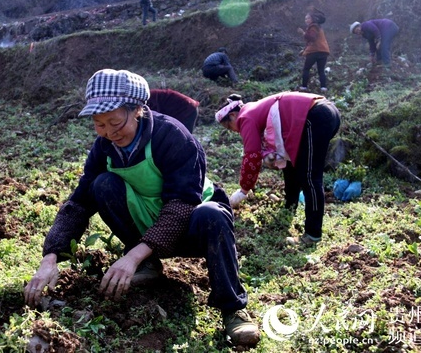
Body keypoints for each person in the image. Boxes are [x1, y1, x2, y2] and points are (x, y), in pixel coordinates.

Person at [24, 69, 260, 346]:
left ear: (137, 109)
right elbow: (78, 203)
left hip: (191, 225)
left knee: (213, 214)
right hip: (148, 222)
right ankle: (148, 262)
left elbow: (183, 204)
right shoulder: (104, 148)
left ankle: (233, 308)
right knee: (102, 185)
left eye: (115, 121)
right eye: (99, 124)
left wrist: (131, 257)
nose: (109, 133)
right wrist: (50, 256)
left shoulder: (172, 136)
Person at [215, 92, 341, 246]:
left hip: (315, 116)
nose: (233, 130)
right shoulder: (253, 110)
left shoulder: (245, 118)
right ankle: (290, 206)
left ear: (233, 115)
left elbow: (252, 157)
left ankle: (312, 234)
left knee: (309, 176)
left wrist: (243, 190)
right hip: (323, 111)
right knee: (290, 165)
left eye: (229, 126)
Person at [297, 7, 330, 92]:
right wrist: (304, 51)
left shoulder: (313, 27)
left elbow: (312, 38)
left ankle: (304, 87)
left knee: (306, 69)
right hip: (323, 51)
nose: (306, 20)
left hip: (315, 52)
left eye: (308, 18)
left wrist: (303, 33)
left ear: (313, 19)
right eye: (305, 19)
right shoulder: (318, 27)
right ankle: (323, 87)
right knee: (321, 70)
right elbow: (312, 42)